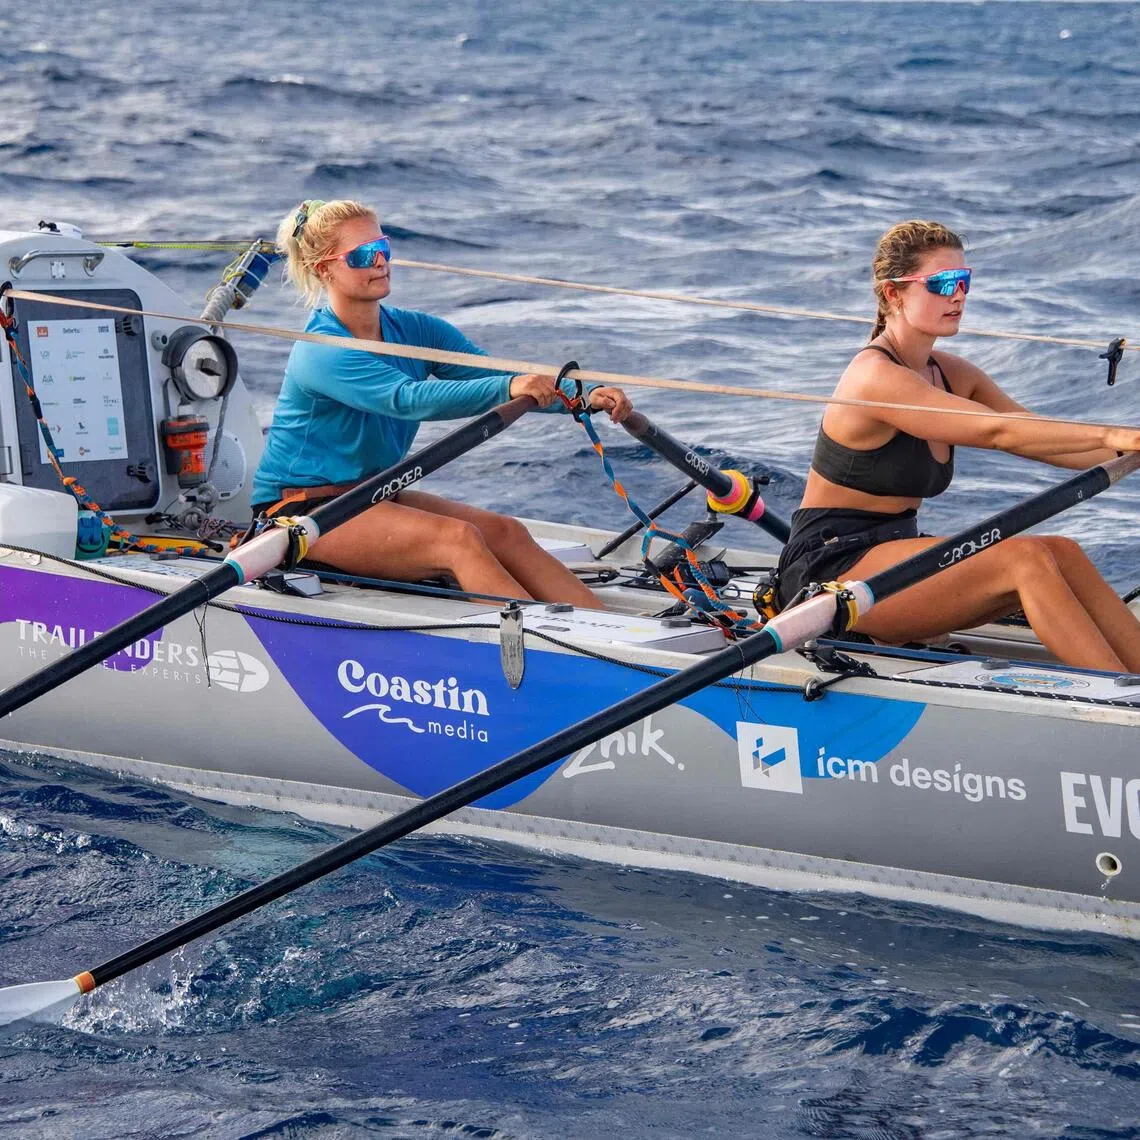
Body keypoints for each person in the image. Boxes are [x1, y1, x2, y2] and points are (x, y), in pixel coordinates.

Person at [775, 219, 1140, 672]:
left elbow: (1034, 434)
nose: (958, 295)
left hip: (893, 552)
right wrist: (1110, 435)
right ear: (893, 294)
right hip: (829, 572)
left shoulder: (951, 373)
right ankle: (1120, 703)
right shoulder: (874, 376)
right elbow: (995, 431)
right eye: (943, 283)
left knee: (1061, 550)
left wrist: (1128, 449)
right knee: (1024, 559)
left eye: (963, 281)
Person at [251, 199, 632, 608]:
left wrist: (583, 396)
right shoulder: (321, 350)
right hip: (302, 511)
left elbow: (492, 375)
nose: (380, 262)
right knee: (458, 540)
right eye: (363, 255)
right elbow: (406, 399)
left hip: (374, 493)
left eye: (384, 248)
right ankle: (551, 647)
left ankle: (610, 634)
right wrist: (512, 388)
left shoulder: (417, 329)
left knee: (508, 533)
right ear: (323, 269)